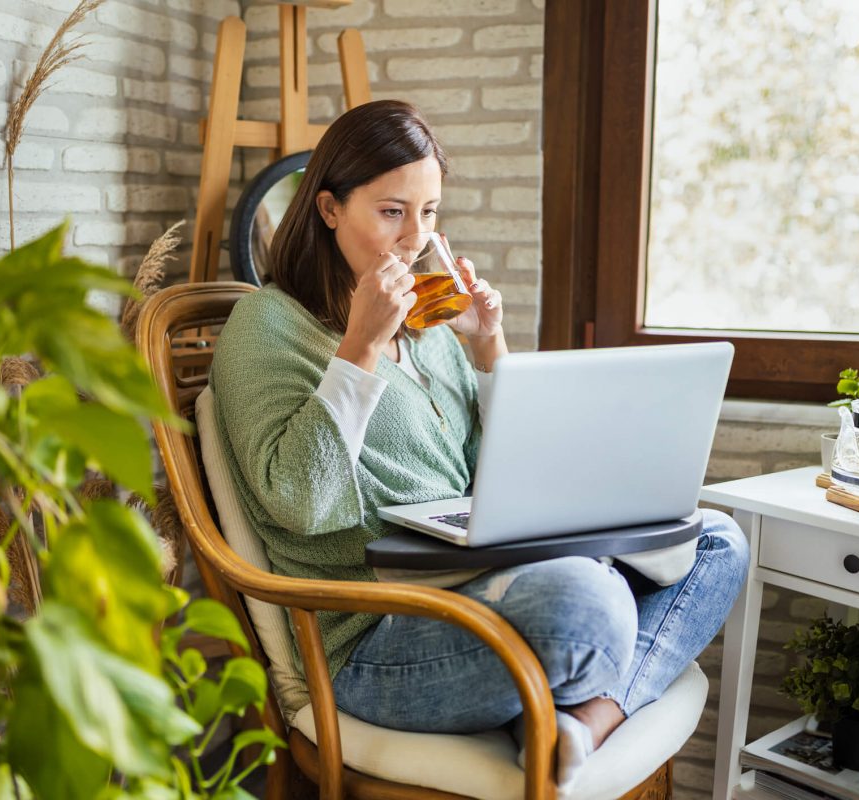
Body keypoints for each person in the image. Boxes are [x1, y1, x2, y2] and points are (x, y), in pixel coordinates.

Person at [209, 100, 749, 789]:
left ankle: (582, 719)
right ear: (328, 209)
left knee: (717, 541)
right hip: (376, 634)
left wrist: (487, 346)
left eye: (429, 213)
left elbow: (501, 471)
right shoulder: (265, 326)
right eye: (392, 212)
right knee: (589, 600)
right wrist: (361, 347)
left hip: (482, 574)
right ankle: (578, 690)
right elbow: (300, 503)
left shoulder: (429, 331)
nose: (414, 238)